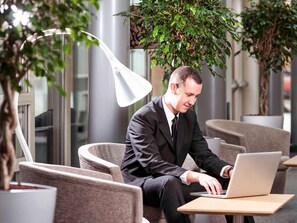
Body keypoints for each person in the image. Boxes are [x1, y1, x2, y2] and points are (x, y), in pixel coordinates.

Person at [121, 66, 254, 223]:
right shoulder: (144, 118)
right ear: (173, 87)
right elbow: (151, 163)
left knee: (226, 180)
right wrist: (196, 176)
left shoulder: (189, 118)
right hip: (142, 183)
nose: (192, 102)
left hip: (173, 182)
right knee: (169, 182)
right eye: (189, 95)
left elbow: (204, 155)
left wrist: (230, 171)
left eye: (196, 96)